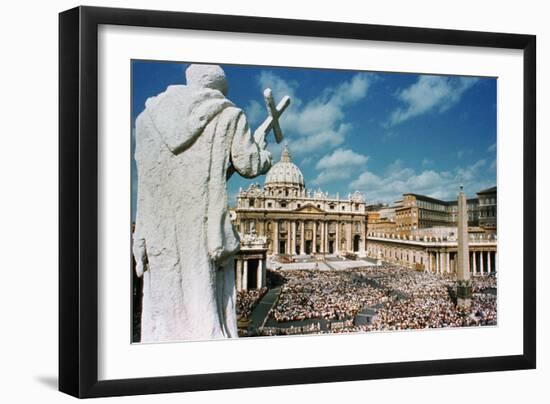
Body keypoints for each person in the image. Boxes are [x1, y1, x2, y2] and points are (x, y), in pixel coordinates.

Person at [133, 64, 273, 342]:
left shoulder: (144, 120)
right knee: (204, 308)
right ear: (219, 88)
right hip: (201, 229)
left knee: (165, 310)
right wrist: (263, 152)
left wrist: (140, 237)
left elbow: (145, 181)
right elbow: (249, 163)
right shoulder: (229, 114)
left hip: (159, 231)